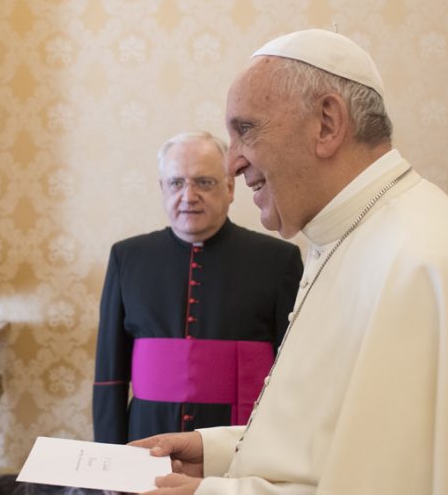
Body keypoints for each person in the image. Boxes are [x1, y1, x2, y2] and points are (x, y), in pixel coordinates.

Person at [131, 29, 448, 494]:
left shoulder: (428, 265)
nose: (232, 165)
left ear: (326, 124)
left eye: (246, 130)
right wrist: (218, 454)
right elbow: (337, 438)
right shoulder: (347, 237)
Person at [93, 131, 303, 444]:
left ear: (230, 187)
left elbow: (295, 371)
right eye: (176, 183)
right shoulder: (127, 258)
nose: (188, 196)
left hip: (241, 438)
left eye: (204, 182)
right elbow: (111, 374)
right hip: (148, 435)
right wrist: (110, 456)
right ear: (162, 189)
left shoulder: (277, 260)